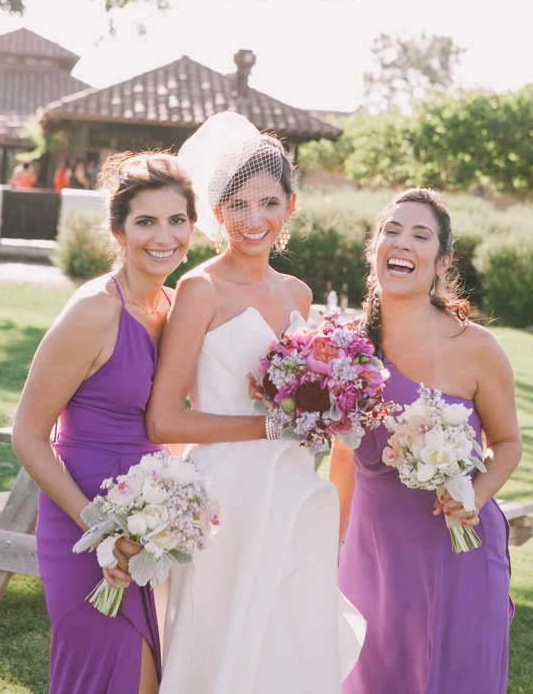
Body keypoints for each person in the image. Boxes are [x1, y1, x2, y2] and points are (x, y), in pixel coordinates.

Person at [140, 112, 365, 694]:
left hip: (292, 485)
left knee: (283, 638)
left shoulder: (298, 294)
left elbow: (301, 405)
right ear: (217, 212)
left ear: (290, 205)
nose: (254, 219)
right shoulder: (199, 290)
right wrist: (268, 429)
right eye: (238, 205)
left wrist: (325, 411)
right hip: (223, 494)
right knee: (222, 635)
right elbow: (164, 418)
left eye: (268, 203)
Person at [12, 151, 197, 694]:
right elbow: (28, 434)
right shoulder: (94, 310)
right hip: (83, 519)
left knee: (153, 675)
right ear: (118, 230)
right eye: (146, 221)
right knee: (115, 673)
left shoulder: (178, 309)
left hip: (152, 525)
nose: (164, 236)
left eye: (177, 220)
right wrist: (99, 525)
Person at [330, 187, 522, 694]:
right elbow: (342, 459)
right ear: (374, 248)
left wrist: (473, 495)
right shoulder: (347, 349)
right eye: (391, 231)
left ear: (442, 261)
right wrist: (331, 549)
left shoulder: (476, 347)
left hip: (459, 554)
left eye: (420, 236)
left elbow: (508, 442)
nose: (402, 243)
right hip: (374, 558)